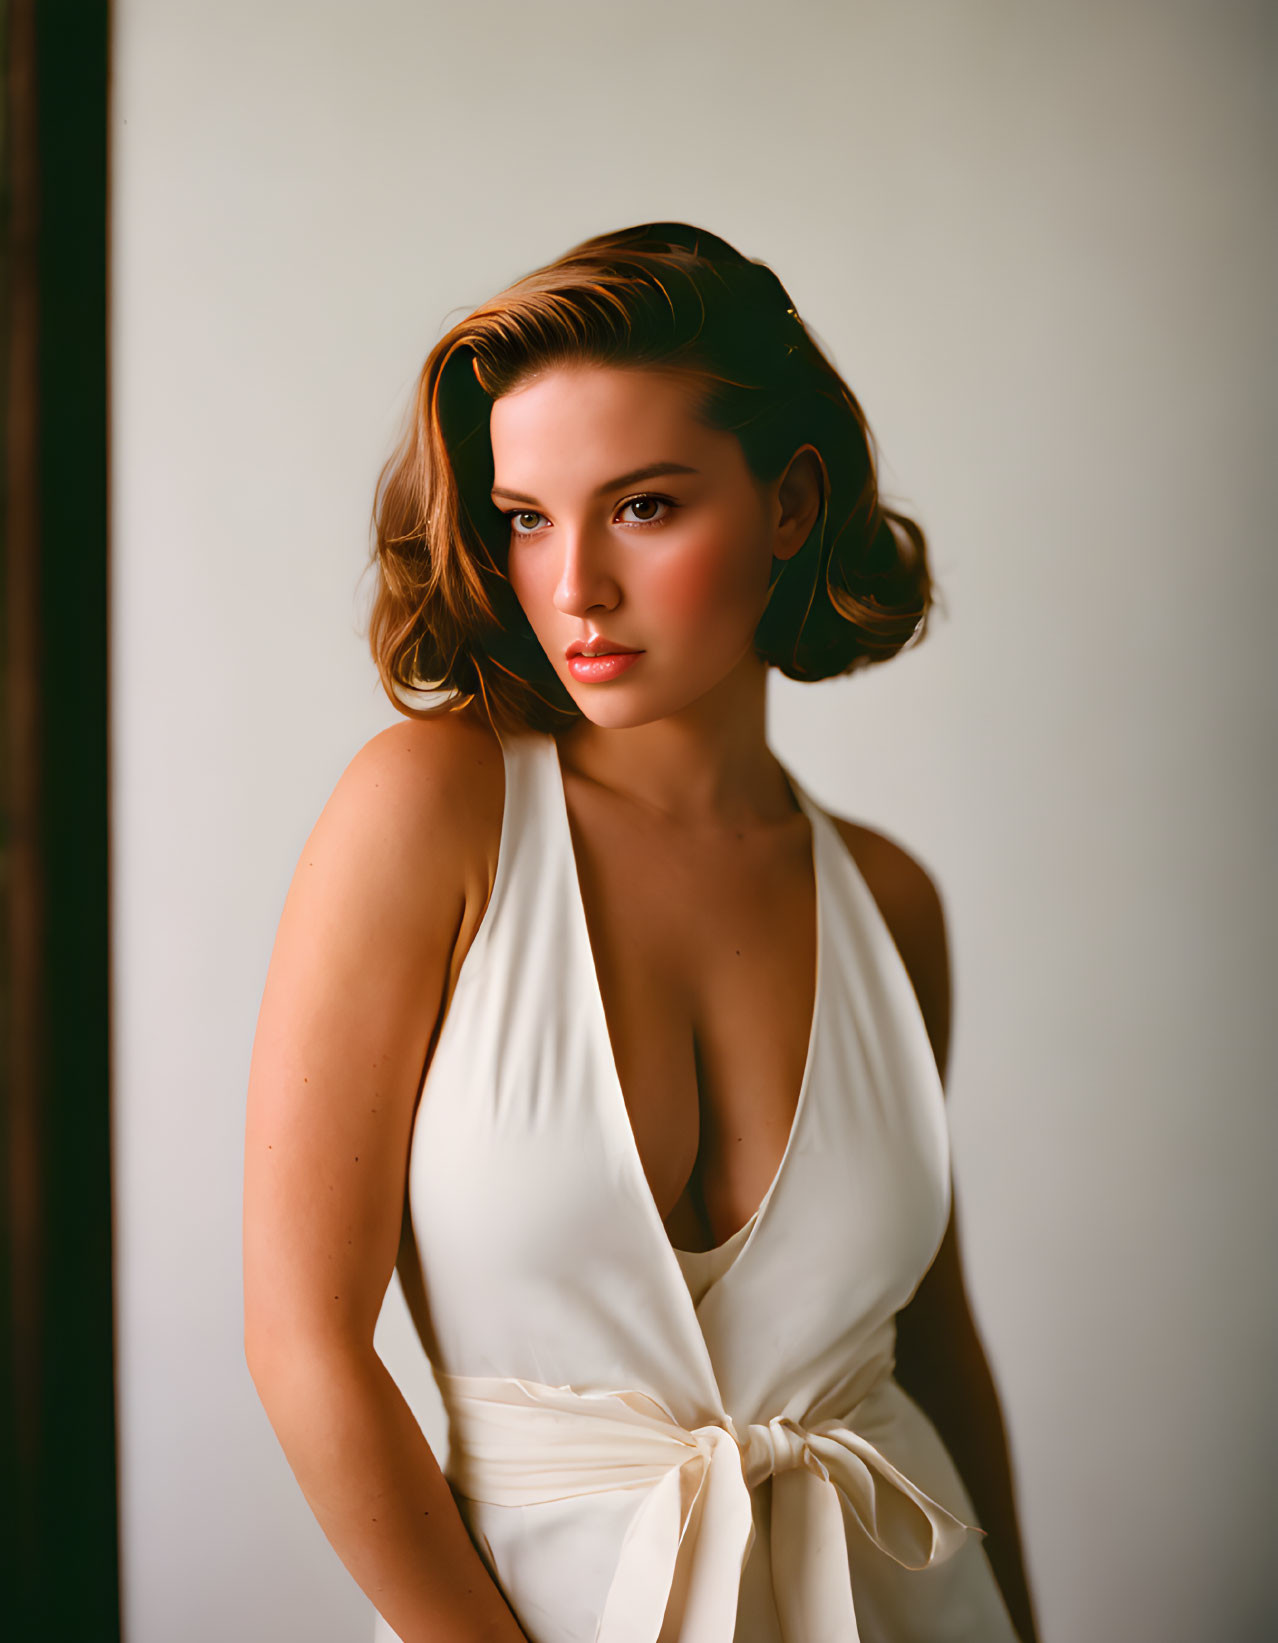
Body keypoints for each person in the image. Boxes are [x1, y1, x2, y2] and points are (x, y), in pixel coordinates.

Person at [242, 222, 1040, 1643]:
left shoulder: (888, 902)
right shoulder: (429, 813)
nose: (572, 590)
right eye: (526, 516)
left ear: (789, 505)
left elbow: (935, 1346)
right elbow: (304, 1342)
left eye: (644, 507)